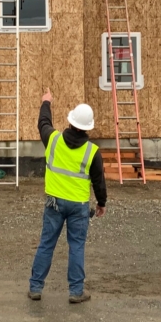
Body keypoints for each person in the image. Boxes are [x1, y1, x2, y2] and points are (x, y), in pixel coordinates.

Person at [29, 89, 107, 304]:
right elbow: (99, 181)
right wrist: (101, 204)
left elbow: (43, 123)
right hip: (79, 206)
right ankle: (76, 291)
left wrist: (46, 102)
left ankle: (36, 287)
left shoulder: (53, 140)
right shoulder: (92, 152)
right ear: (87, 127)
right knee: (77, 246)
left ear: (71, 122)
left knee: (46, 244)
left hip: (54, 202)